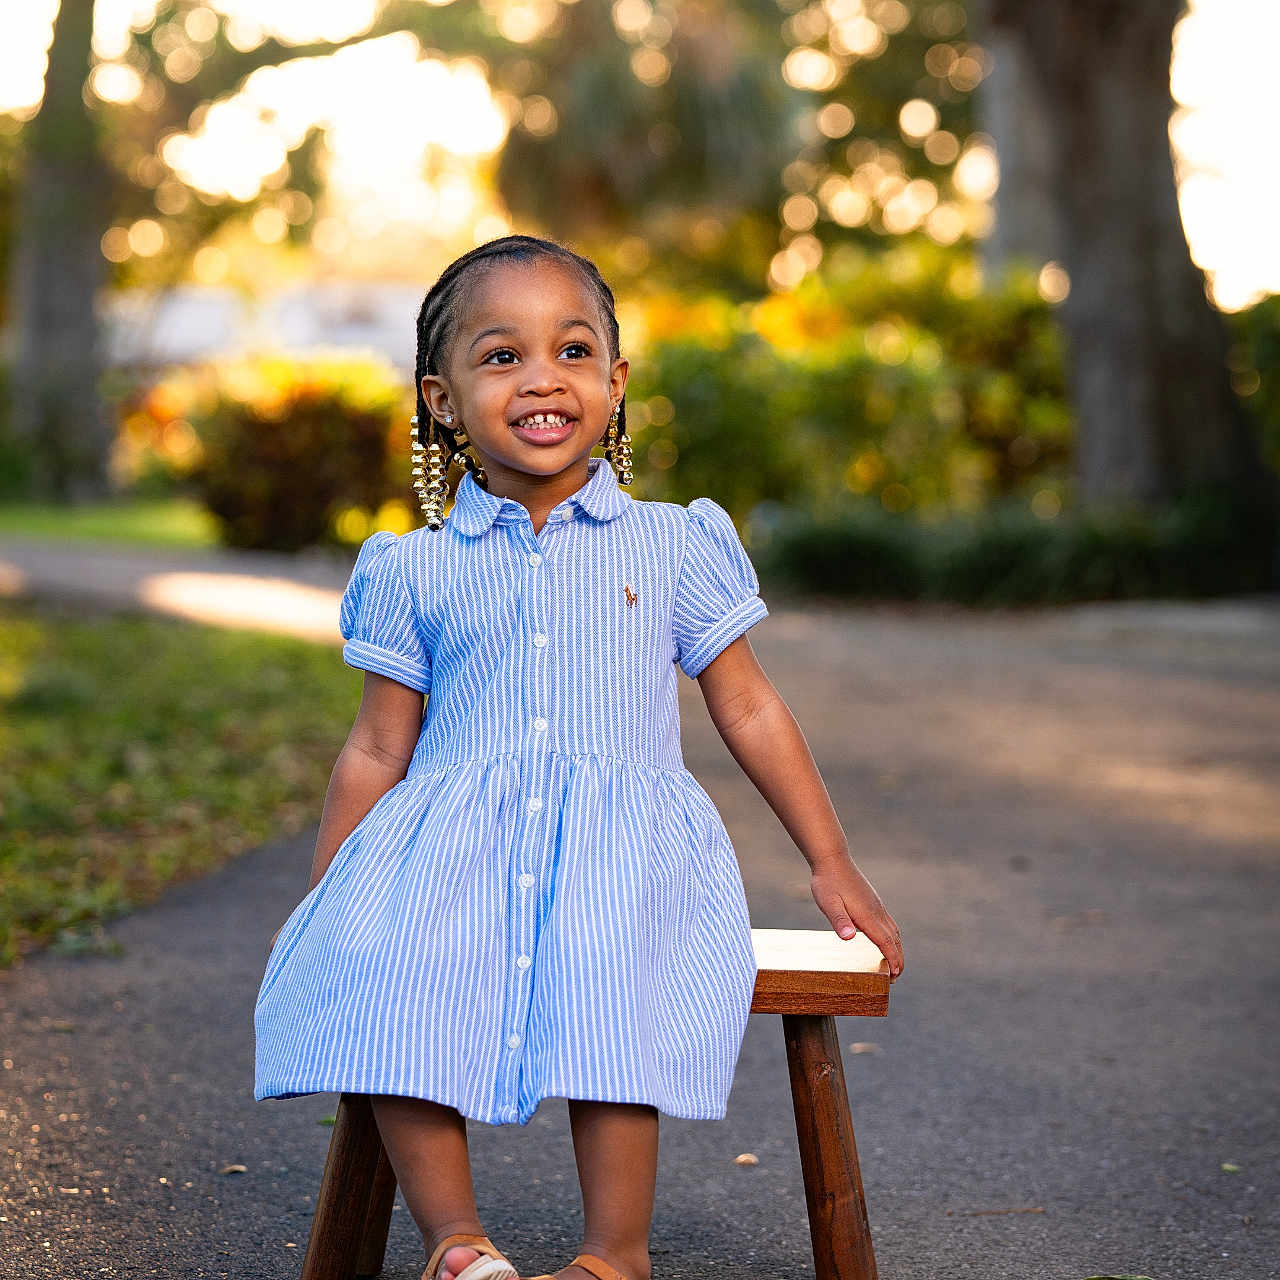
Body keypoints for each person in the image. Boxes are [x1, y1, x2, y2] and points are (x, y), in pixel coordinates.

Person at [253, 234, 904, 1280]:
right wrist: (334, 890)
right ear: (443, 397)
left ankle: (613, 1255)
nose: (541, 377)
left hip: (621, 857)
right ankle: (457, 1243)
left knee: (612, 981)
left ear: (614, 379)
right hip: (451, 859)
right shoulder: (415, 567)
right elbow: (379, 743)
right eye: (500, 356)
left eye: (571, 348)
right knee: (388, 975)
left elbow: (747, 705)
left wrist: (830, 859)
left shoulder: (670, 542)